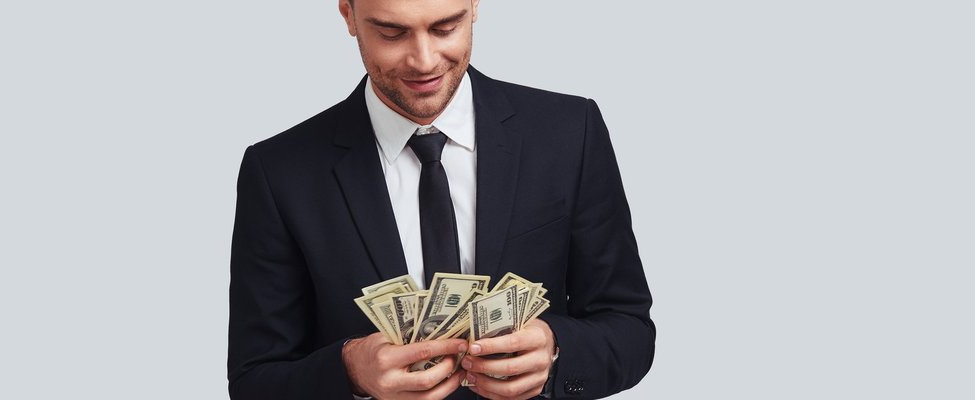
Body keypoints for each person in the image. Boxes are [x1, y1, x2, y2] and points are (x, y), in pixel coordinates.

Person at [227, 0, 655, 398]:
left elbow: (629, 328)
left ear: (473, 7)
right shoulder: (278, 170)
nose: (424, 60)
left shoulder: (569, 133)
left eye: (445, 28)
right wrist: (350, 371)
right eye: (392, 33)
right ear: (349, 15)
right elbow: (254, 378)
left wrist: (558, 351)